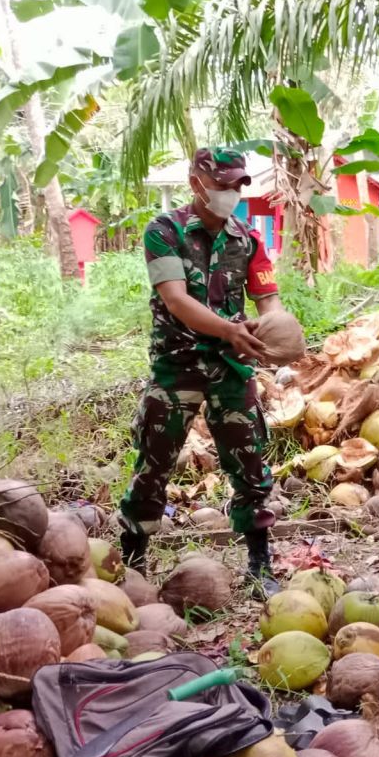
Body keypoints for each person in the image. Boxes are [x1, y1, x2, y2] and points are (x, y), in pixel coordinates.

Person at [118, 147, 285, 598]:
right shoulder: (164, 231)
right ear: (197, 183)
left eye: (238, 186)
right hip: (178, 365)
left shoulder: (247, 239)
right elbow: (175, 299)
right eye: (224, 184)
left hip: (231, 367)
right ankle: (133, 560)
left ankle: (259, 562)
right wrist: (231, 330)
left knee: (250, 463)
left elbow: (267, 298)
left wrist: (276, 328)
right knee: (155, 462)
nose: (232, 193)